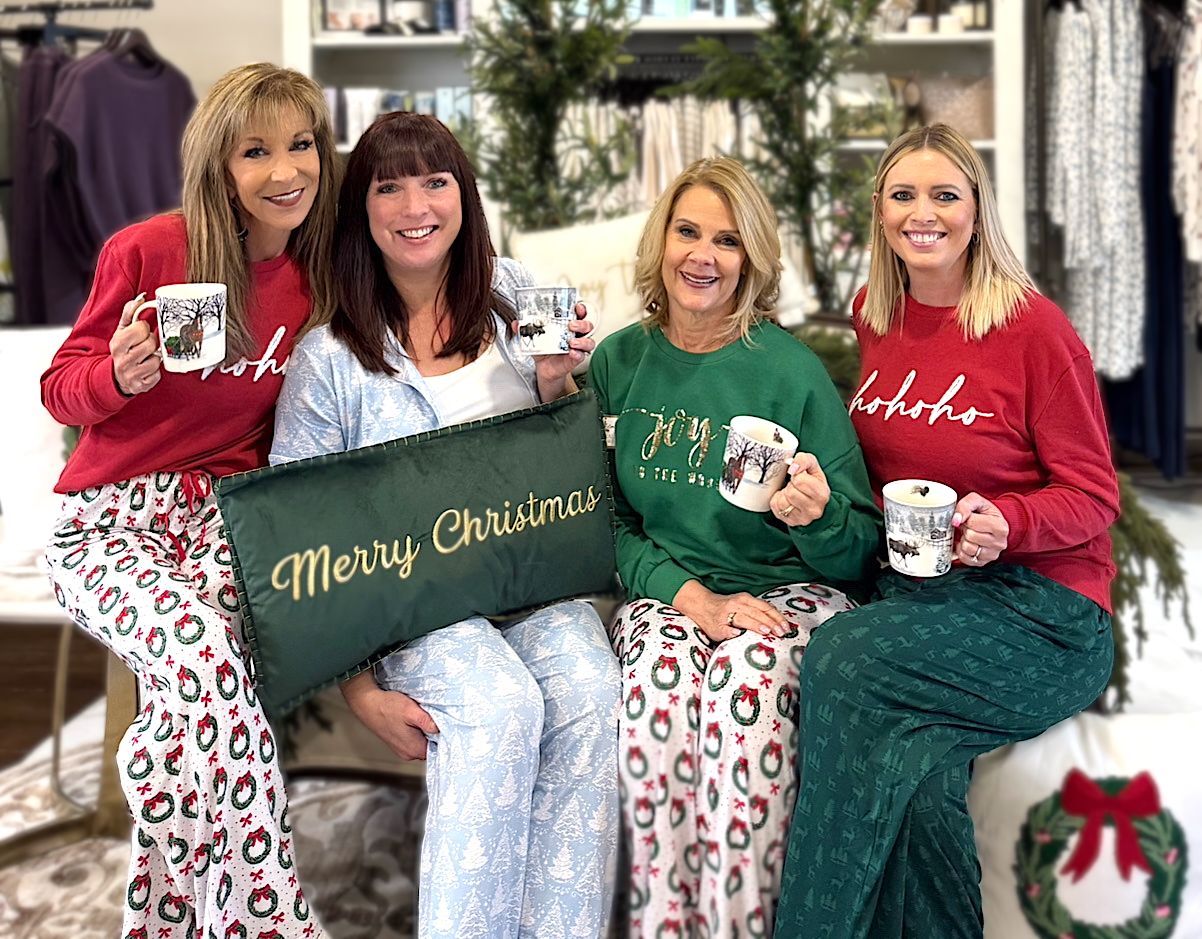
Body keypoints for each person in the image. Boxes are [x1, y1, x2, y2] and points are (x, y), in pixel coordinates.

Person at [268, 111, 621, 938]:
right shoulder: (330, 359)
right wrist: (360, 689)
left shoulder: (516, 296)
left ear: (464, 194)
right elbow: (302, 531)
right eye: (388, 186)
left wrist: (557, 381)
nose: (414, 203)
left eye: (435, 180)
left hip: (532, 582)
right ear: (362, 211)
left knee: (589, 683)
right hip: (415, 605)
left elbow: (566, 456)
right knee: (498, 706)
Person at [773, 123, 1119, 939]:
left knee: (842, 657)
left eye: (944, 195)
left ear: (976, 209)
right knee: (920, 783)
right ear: (880, 212)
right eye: (902, 194)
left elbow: (1095, 494)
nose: (921, 213)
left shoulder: (1034, 330)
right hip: (926, 599)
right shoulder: (875, 315)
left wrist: (1013, 521)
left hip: (1045, 613)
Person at [41, 64, 338, 939]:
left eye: (301, 144)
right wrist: (116, 376)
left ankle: (163, 925)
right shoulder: (145, 253)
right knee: (208, 666)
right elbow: (61, 388)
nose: (287, 170)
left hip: (223, 511)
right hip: (109, 517)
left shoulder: (314, 280)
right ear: (220, 165)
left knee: (177, 732)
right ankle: (271, 920)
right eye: (257, 151)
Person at [587, 156, 882, 938]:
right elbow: (606, 522)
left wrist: (816, 516)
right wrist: (693, 601)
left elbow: (859, 553)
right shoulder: (618, 362)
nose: (703, 256)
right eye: (688, 231)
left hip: (788, 591)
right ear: (662, 239)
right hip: (672, 590)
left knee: (742, 709)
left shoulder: (789, 372)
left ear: (751, 258)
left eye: (728, 241)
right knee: (651, 712)